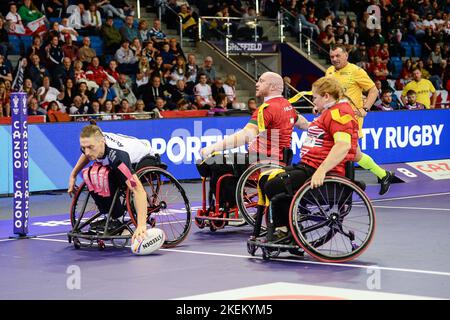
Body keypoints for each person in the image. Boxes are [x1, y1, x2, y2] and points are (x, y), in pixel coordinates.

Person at [254, 76, 359, 242]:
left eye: (315, 98)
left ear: (326, 96)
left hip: (318, 170)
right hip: (308, 165)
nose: (313, 102)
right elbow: (355, 150)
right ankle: (286, 227)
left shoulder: (339, 113)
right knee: (267, 177)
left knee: (274, 185)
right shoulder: (330, 112)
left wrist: (321, 171)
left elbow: (343, 146)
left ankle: (287, 230)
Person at [199, 71, 309, 226]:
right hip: (278, 159)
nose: (257, 84)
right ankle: (231, 203)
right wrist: (316, 128)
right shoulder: (287, 105)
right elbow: (303, 123)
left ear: (272, 86)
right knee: (224, 162)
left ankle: (229, 207)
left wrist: (212, 147)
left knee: (215, 162)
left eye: (261, 81)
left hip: (261, 161)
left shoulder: (267, 108)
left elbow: (246, 135)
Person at [67, 123, 157, 242]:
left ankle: (118, 218)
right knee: (91, 174)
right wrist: (73, 175)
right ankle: (112, 217)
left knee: (105, 176)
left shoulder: (117, 157)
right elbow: (86, 155)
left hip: (145, 158)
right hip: (117, 159)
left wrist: (141, 226)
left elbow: (138, 190)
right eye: (83, 148)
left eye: (90, 147)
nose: (87, 152)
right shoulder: (94, 143)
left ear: (102, 142)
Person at [326, 44, 394, 195]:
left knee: (346, 151)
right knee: (352, 153)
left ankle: (347, 185)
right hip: (333, 119)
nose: (335, 59)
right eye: (332, 57)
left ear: (346, 56)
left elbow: (373, 90)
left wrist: (365, 109)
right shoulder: (329, 71)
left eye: (338, 56)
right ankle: (382, 175)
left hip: (350, 120)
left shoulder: (356, 71)